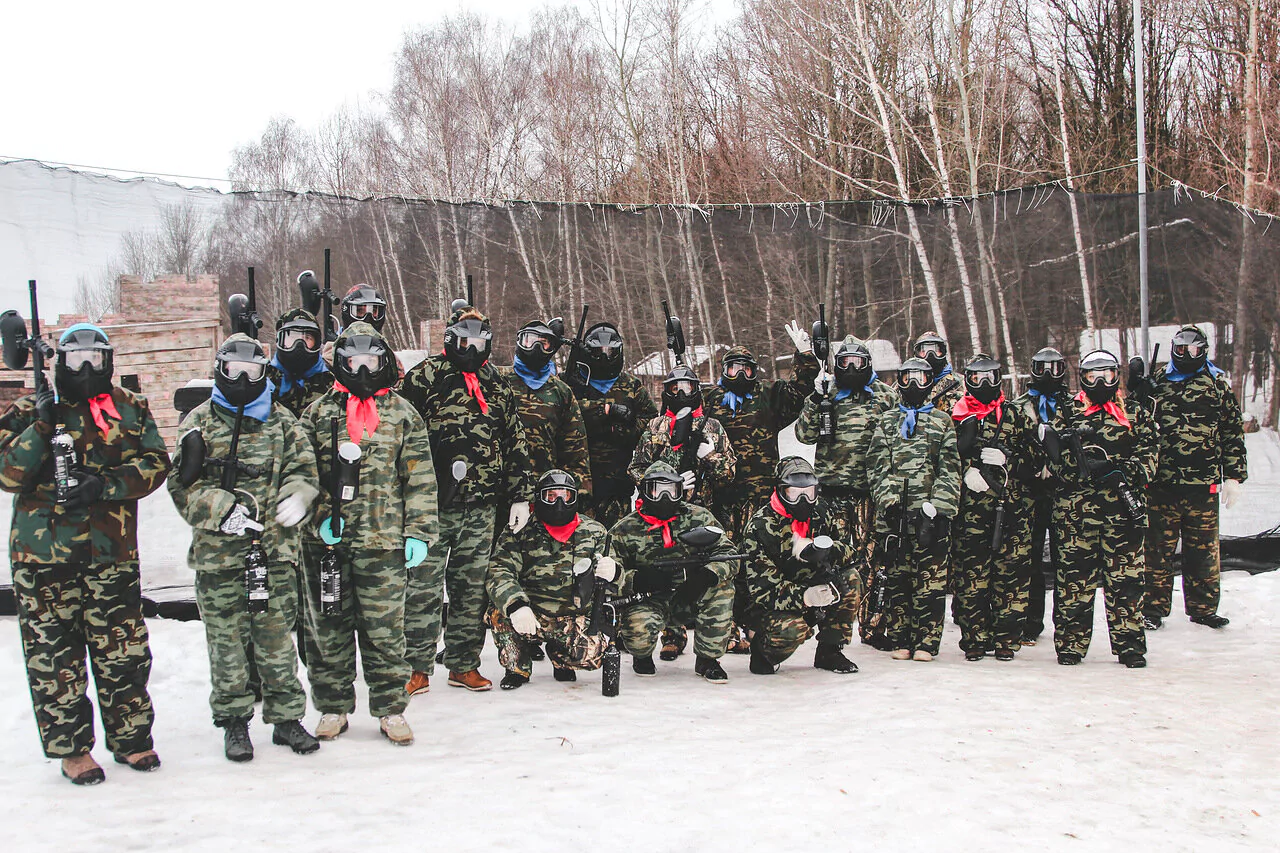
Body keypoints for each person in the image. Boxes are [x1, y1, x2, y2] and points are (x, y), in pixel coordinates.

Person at [1, 323, 170, 785]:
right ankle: (73, 750)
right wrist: (41, 423)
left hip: (110, 552)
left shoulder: (129, 408)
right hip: (43, 558)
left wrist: (104, 485)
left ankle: (132, 740)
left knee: (124, 653)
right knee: (56, 658)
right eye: (77, 361)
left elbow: (157, 464)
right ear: (59, 363)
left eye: (96, 357)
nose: (88, 368)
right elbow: (8, 476)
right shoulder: (30, 409)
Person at [168, 334, 321, 762]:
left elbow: (304, 468)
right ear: (220, 369)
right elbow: (182, 485)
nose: (241, 378)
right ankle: (235, 723)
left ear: (263, 373)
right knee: (227, 643)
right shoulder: (199, 421)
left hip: (273, 554)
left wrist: (300, 495)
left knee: (276, 641)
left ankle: (287, 719)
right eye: (233, 370)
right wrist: (221, 509)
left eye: (251, 372)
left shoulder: (282, 422)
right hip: (219, 557)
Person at [299, 321, 437, 745]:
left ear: (383, 363)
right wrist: (318, 517)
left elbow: (420, 477)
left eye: (371, 361)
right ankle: (332, 706)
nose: (362, 369)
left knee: (385, 630)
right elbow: (302, 475)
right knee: (328, 629)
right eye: (354, 361)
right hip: (328, 544)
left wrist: (419, 531)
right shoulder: (319, 413)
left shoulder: (401, 413)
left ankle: (391, 708)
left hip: (385, 542)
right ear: (340, 362)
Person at [400, 306, 533, 694]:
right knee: (422, 585)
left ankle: (462, 663)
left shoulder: (496, 383)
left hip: (482, 504)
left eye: (478, 341)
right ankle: (417, 666)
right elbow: (401, 433)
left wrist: (520, 496)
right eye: (464, 340)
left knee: (471, 588)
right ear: (450, 339)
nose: (470, 348)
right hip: (431, 504)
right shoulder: (425, 376)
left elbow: (515, 440)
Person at [1042, 350, 1156, 668]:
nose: (1100, 382)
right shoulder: (1068, 411)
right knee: (1073, 581)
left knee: (1127, 580)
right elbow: (1053, 458)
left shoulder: (1133, 411)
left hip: (1123, 510)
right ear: (1083, 378)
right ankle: (1070, 645)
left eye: (1107, 374)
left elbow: (1150, 457)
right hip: (1076, 512)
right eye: (1093, 376)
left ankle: (1130, 645)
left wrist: (1118, 470)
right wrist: (1082, 468)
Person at [1134, 325, 1248, 630]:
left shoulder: (1216, 386)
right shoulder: (1158, 384)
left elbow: (1232, 434)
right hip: (1162, 485)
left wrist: (1234, 476)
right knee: (1157, 552)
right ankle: (1152, 609)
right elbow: (1136, 425)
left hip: (1202, 485)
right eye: (1182, 349)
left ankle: (1203, 608)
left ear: (1204, 351)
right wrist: (1137, 395)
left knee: (1204, 552)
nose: (1187, 355)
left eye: (1194, 350)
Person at [795, 335, 898, 648]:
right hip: (831, 492)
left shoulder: (883, 395)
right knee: (833, 557)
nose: (851, 368)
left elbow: (897, 439)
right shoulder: (827, 394)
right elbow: (804, 434)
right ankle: (833, 628)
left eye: (857, 362)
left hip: (870, 492)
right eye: (844, 362)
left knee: (873, 559)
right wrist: (815, 398)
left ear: (868, 365)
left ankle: (873, 627)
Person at [628, 365, 737, 660]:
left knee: (710, 573)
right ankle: (672, 635)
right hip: (664, 514)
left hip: (706, 511)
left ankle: (717, 636)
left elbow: (729, 474)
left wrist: (709, 456)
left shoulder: (712, 427)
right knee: (668, 568)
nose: (681, 394)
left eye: (687, 387)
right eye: (675, 388)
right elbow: (636, 468)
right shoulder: (655, 427)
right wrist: (666, 482)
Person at [485, 470, 618, 689]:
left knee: (592, 656)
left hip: (572, 616)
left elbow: (614, 578)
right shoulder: (520, 529)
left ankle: (561, 658)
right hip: (530, 614)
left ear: (574, 498)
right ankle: (517, 668)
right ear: (539, 498)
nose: (558, 502)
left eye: (564, 496)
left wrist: (614, 572)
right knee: (500, 612)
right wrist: (517, 605)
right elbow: (500, 570)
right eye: (550, 496)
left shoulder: (594, 531)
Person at [866, 357, 961, 662]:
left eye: (921, 378)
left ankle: (927, 642)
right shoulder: (887, 421)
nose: (914, 385)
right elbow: (877, 466)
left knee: (931, 581)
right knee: (898, 580)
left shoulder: (942, 421)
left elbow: (949, 469)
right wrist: (889, 503)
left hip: (929, 516)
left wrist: (939, 508)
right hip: (895, 517)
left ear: (930, 382)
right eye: (907, 378)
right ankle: (901, 638)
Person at [609, 462, 738, 682]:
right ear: (645, 491)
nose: (666, 497)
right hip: (649, 599)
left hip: (691, 595)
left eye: (672, 490)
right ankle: (642, 655)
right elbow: (608, 572)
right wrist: (636, 580)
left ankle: (708, 659)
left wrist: (706, 575)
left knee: (722, 590)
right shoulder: (624, 529)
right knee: (638, 636)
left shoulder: (699, 518)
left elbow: (728, 554)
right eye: (658, 490)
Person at [949, 354, 1036, 661]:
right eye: (975, 378)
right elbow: (939, 458)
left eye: (989, 377)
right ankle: (974, 639)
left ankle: (1007, 640)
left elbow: (1038, 462)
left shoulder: (1016, 413)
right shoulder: (955, 415)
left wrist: (1010, 462)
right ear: (966, 381)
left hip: (1012, 509)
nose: (983, 384)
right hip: (969, 513)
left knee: (1011, 578)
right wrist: (964, 472)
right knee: (971, 578)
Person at [740, 457, 861, 674]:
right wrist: (806, 597)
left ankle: (830, 650)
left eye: (809, 493)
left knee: (850, 579)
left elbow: (849, 552)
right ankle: (763, 650)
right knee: (792, 630)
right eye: (794, 493)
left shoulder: (822, 512)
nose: (803, 500)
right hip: (767, 604)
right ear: (780, 491)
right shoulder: (760, 526)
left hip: (811, 585)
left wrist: (826, 550)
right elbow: (762, 590)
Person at [570, 322, 658, 528]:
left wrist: (616, 430)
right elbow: (565, 411)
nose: (604, 357)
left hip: (617, 483)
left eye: (610, 351)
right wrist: (605, 410)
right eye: (598, 352)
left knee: (615, 542)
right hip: (580, 481)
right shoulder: (573, 384)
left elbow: (651, 424)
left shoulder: (631, 386)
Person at [1011, 347, 1071, 644]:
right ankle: (1031, 622)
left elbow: (1079, 442)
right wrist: (1031, 467)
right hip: (1029, 494)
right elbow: (1011, 443)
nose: (1048, 375)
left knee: (1067, 559)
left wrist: (1056, 465)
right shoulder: (1018, 406)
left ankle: (1068, 625)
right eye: (1042, 368)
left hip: (1065, 494)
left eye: (1055, 369)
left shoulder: (1074, 405)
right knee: (1029, 559)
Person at [499, 320, 592, 501]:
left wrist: (575, 500)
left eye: (544, 343)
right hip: (499, 492)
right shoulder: (497, 380)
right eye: (530, 341)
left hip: (545, 495)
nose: (536, 348)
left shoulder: (561, 392)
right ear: (520, 342)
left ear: (552, 348)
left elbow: (576, 452)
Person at [268, 308, 333, 418]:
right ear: (280, 340)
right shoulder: (265, 380)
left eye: (307, 338)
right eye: (292, 337)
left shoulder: (330, 383)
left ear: (316, 343)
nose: (299, 345)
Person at [913, 331, 964, 414]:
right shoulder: (906, 383)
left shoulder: (961, 382)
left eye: (935, 350)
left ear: (943, 352)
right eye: (924, 350)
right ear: (917, 353)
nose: (930, 354)